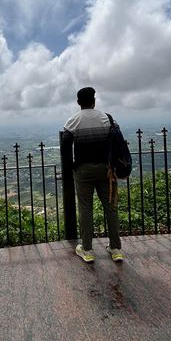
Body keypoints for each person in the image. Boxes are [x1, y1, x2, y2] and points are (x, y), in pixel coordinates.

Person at [61, 87, 126, 263]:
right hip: (106, 170)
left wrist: (72, 167)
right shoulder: (107, 118)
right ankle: (116, 249)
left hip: (83, 171)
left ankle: (88, 250)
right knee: (111, 208)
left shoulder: (73, 121)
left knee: (85, 209)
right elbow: (117, 141)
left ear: (78, 102)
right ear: (94, 100)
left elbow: (66, 147)